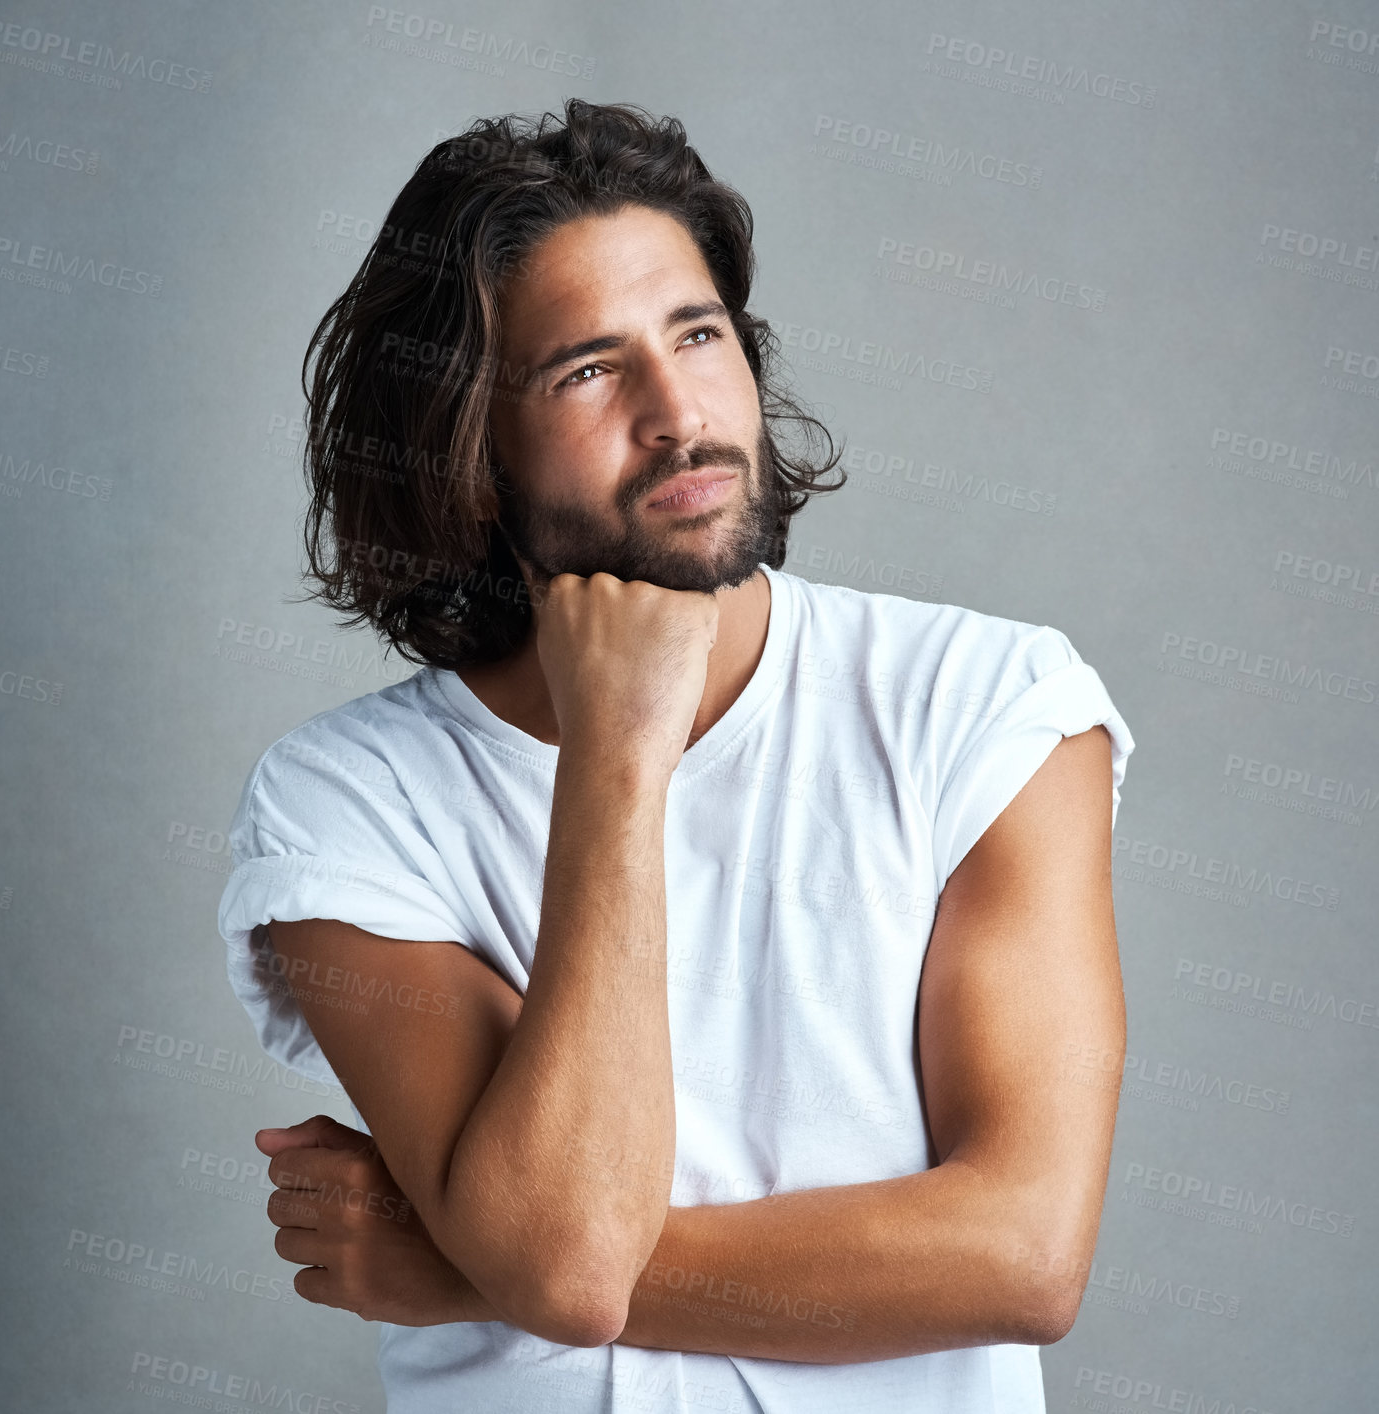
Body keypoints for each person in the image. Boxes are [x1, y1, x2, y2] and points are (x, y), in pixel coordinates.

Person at [217, 98, 1135, 1414]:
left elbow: (1022, 1250)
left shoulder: (988, 706)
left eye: (697, 335)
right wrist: (619, 750)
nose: (677, 412)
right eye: (587, 369)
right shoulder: (342, 806)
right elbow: (564, 1253)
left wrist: (473, 1262)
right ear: (468, 445)